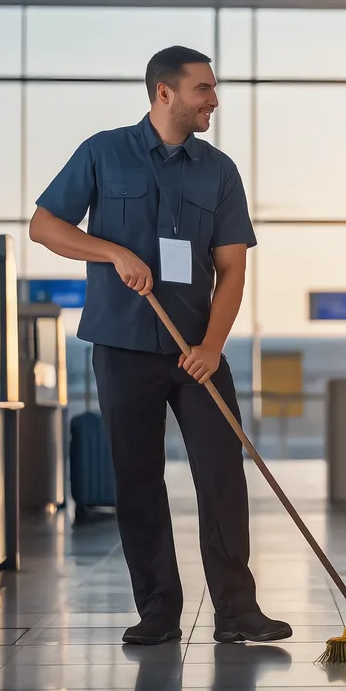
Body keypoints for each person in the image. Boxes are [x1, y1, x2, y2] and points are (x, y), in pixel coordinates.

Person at [29, 45, 290, 647]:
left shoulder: (218, 171)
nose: (214, 100)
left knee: (223, 473)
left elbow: (232, 269)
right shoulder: (103, 151)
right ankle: (158, 611)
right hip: (122, 346)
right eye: (204, 89)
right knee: (137, 478)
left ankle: (236, 610)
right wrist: (114, 251)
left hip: (196, 352)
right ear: (165, 92)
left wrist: (211, 344)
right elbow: (46, 225)